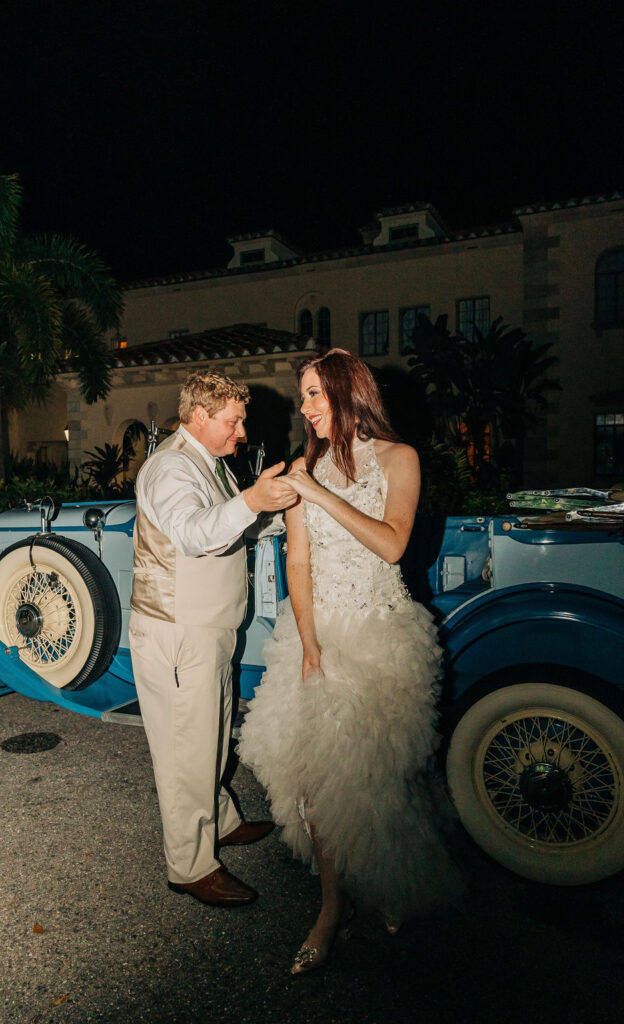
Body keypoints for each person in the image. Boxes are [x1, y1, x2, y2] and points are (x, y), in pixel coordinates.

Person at [238, 349, 462, 974]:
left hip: (382, 636)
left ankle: (388, 880)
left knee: (375, 779)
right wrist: (309, 645)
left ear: (347, 393)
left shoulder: (400, 459)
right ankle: (332, 909)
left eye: (314, 395)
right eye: (303, 396)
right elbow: (299, 563)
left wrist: (319, 491)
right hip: (318, 637)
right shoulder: (303, 469)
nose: (305, 409)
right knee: (314, 784)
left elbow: (392, 544)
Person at [129, 370, 296, 907]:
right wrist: (253, 499)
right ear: (199, 415)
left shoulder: (210, 464)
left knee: (212, 738)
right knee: (186, 750)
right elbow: (195, 535)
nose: (241, 432)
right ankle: (189, 865)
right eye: (233, 420)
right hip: (179, 632)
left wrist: (275, 511)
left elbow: (233, 527)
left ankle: (220, 821)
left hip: (211, 627)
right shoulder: (171, 467)